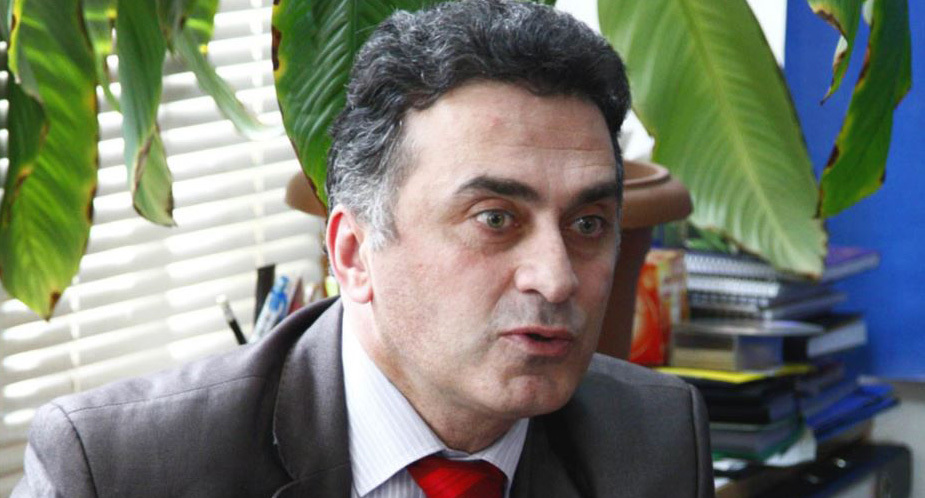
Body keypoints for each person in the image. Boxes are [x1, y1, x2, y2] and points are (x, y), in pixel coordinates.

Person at [13, 1, 713, 496]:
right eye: (495, 219)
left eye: (587, 224)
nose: (555, 279)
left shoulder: (653, 439)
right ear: (353, 254)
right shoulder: (119, 469)